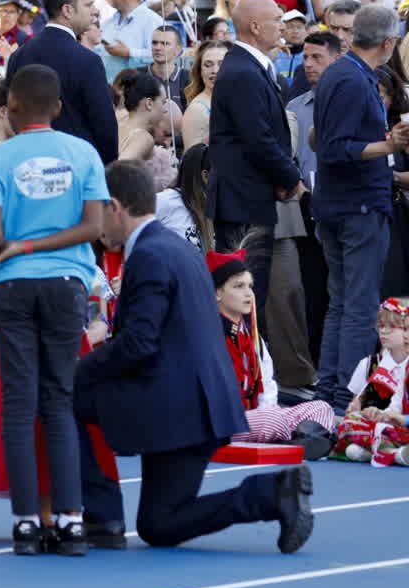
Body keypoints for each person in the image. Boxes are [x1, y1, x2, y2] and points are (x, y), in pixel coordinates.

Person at [77, 160, 316, 553]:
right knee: (159, 523)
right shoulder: (175, 247)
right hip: (199, 404)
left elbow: (139, 344)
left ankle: (101, 516)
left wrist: (83, 367)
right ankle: (272, 494)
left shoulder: (149, 255)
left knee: (68, 393)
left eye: (96, 210)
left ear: (115, 207)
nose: (94, 224)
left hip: (181, 409)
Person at [0, 63, 107, 555]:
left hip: (12, 288)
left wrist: (20, 248)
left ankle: (27, 521)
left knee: (18, 400)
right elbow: (94, 227)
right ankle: (72, 521)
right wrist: (41, 251)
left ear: (10, 106)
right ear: (57, 107)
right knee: (59, 398)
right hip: (67, 282)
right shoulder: (84, 153)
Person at [314, 3, 409, 411]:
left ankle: (329, 394)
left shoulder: (342, 73)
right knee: (358, 306)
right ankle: (343, 398)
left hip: (339, 205)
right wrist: (391, 145)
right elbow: (336, 149)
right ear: (388, 43)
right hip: (358, 209)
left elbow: (323, 140)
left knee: (342, 303)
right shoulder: (352, 79)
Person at [207, 0, 303, 335]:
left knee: (250, 296)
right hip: (241, 205)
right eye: (277, 19)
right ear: (255, 26)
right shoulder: (242, 72)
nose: (284, 25)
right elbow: (258, 138)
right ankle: (240, 379)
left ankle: (250, 376)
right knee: (241, 298)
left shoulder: (251, 67)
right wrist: (293, 179)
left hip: (250, 198)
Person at [208, 250, 336, 454]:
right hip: (222, 423)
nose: (248, 293)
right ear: (217, 293)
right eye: (238, 286)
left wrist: (270, 410)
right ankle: (304, 439)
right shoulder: (207, 335)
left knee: (321, 407)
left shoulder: (251, 335)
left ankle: (298, 439)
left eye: (250, 286)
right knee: (271, 420)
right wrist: (267, 416)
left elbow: (267, 383)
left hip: (256, 418)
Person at [5, 0, 118, 164]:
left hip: (27, 165)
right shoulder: (88, 60)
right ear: (67, 10)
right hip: (78, 167)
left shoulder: (19, 56)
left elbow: (11, 115)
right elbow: (104, 127)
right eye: (88, 5)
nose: (95, 11)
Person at [328, 298, 409, 464]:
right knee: (350, 424)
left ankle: (385, 452)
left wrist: (399, 419)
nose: (384, 332)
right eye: (381, 326)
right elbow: (357, 408)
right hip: (387, 427)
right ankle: (387, 451)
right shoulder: (371, 364)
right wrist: (371, 411)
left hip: (401, 427)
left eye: (393, 327)